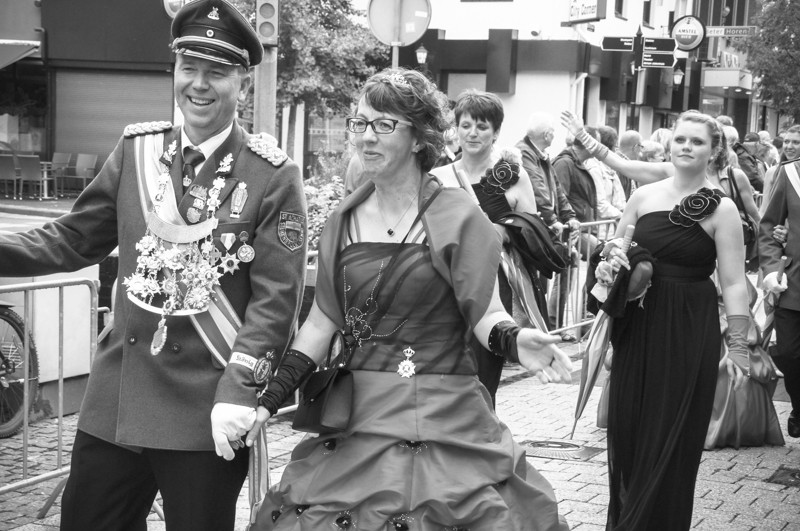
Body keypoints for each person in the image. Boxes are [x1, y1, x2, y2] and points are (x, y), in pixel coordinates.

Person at [0, 2, 308, 529]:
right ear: (174, 70)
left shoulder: (270, 176)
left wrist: (238, 392)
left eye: (217, 72)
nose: (199, 85)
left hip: (204, 408)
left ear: (243, 81)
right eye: (189, 68)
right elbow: (74, 238)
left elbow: (276, 302)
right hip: (119, 399)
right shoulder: (137, 150)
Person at [248, 68, 572, 530]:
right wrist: (271, 397)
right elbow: (321, 323)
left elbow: (486, 313)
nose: (366, 137)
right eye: (360, 123)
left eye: (384, 125)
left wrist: (515, 340)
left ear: (419, 138)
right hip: (358, 413)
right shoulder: (343, 220)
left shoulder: (459, 215)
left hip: (443, 408)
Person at [564, 109, 752, 530]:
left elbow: (733, 282)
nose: (686, 147)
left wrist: (738, 343)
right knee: (630, 424)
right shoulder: (643, 197)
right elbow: (614, 253)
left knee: (673, 431)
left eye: (697, 141)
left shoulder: (722, 209)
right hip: (639, 323)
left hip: (689, 325)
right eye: (681, 139)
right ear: (670, 144)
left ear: (713, 151)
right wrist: (606, 265)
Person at [430, 89, 540, 402]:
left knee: (481, 380)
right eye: (465, 125)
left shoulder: (513, 178)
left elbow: (533, 232)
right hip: (444, 286)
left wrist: (502, 231)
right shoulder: (438, 177)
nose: (472, 133)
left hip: (492, 285)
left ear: (496, 132)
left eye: (482, 126)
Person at [515, 112, 580, 341]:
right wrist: (552, 220)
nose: (554, 135)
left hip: (544, 226)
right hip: (533, 227)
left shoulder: (541, 155)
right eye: (553, 132)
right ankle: (537, 331)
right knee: (536, 282)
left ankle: (547, 328)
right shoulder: (525, 153)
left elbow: (556, 189)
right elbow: (536, 187)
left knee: (553, 274)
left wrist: (569, 215)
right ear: (546, 135)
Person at [760, 145, 800, 439]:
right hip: (795, 284)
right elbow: (769, 227)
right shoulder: (791, 172)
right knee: (787, 353)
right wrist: (773, 268)